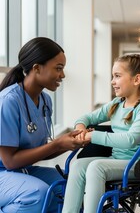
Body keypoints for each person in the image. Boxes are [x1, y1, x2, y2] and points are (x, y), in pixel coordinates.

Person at [62, 53, 140, 213]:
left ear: (136, 80)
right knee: (79, 165)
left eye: (117, 76)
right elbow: (87, 117)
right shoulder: (117, 104)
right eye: (112, 76)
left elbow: (130, 140)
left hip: (139, 164)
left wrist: (92, 136)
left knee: (96, 167)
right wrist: (81, 128)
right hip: (116, 160)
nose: (112, 82)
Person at [0, 37, 89, 213]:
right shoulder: (8, 101)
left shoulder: (45, 101)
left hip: (23, 170)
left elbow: (39, 151)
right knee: (36, 193)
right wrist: (57, 144)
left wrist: (70, 143)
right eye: (58, 68)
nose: (62, 75)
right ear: (36, 68)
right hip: (4, 173)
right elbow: (9, 161)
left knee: (70, 186)